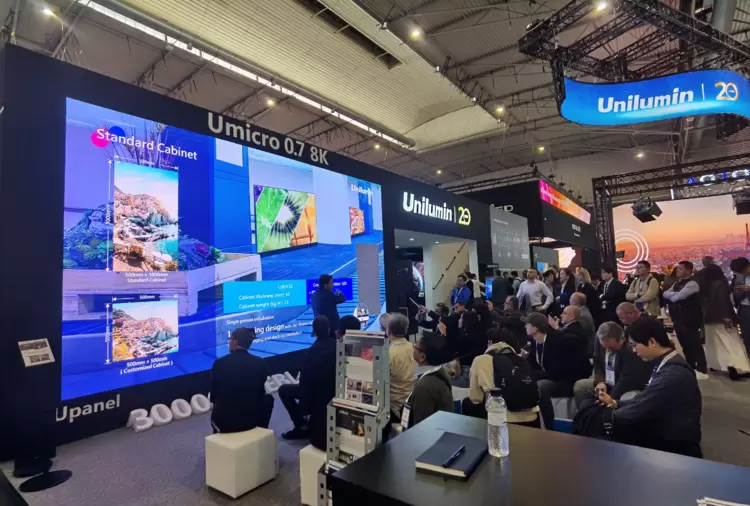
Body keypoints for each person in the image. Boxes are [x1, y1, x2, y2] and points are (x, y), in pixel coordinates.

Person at [596, 316, 702, 458]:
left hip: (674, 446)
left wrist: (602, 418)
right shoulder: (666, 363)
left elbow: (640, 407)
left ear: (652, 342)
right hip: (664, 432)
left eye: (635, 345)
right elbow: (645, 400)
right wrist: (615, 403)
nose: (634, 351)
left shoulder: (672, 374)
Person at [525, 312, 591, 429]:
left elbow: (557, 371)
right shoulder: (536, 341)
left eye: (527, 325)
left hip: (565, 379)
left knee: (541, 386)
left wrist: (534, 375)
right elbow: (532, 364)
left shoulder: (558, 341)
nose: (525, 326)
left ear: (535, 328)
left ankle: (549, 425)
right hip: (551, 376)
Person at [463, 328, 540, 426]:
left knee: (468, 403)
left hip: (501, 419)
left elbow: (475, 397)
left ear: (490, 342)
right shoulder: (521, 360)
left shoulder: (480, 360)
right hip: (532, 418)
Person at [279, 316, 336, 448]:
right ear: (328, 329)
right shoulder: (338, 346)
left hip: (315, 394)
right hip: (333, 391)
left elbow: (305, 382)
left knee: (283, 390)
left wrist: (303, 407)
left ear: (314, 331)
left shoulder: (311, 352)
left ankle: (300, 425)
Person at [210, 327, 274, 433]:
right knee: (268, 398)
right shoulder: (260, 363)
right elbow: (260, 392)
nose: (229, 342)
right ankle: (260, 432)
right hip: (253, 421)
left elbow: (213, 397)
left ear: (235, 342)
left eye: (230, 339)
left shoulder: (220, 363)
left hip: (224, 423)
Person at [573, 322, 650, 408]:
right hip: (607, 381)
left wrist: (608, 398)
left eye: (611, 348)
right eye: (605, 347)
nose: (608, 350)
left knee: (626, 398)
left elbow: (626, 380)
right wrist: (601, 382)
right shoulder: (599, 340)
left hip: (625, 386)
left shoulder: (630, 350)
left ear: (622, 339)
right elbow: (597, 362)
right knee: (580, 387)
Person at [699, 263, 750, 381]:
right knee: (730, 344)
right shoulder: (720, 284)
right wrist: (728, 316)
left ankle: (715, 364)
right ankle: (735, 369)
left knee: (713, 344)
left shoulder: (703, 284)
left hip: (708, 318)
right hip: (722, 318)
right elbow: (723, 301)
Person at [663, 261, 707, 377]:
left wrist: (674, 295)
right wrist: (675, 294)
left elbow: (677, 297)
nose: (678, 271)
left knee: (693, 342)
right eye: (677, 269)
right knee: (684, 343)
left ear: (688, 270)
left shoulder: (692, 283)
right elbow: (665, 294)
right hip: (678, 317)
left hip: (690, 318)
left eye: (681, 269)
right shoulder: (677, 283)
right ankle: (690, 365)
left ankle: (701, 367)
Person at [404, 332, 454, 428]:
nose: (413, 348)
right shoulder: (440, 372)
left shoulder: (425, 387)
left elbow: (421, 428)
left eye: (415, 346)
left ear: (422, 357)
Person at [386, 313, 416, 423]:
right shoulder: (416, 348)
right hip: (415, 403)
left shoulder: (388, 354)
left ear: (388, 331)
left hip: (395, 409)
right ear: (406, 330)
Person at [730, 257, 750, 357]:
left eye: (742, 271)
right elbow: (732, 291)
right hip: (744, 309)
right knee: (747, 337)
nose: (742, 274)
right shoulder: (738, 277)